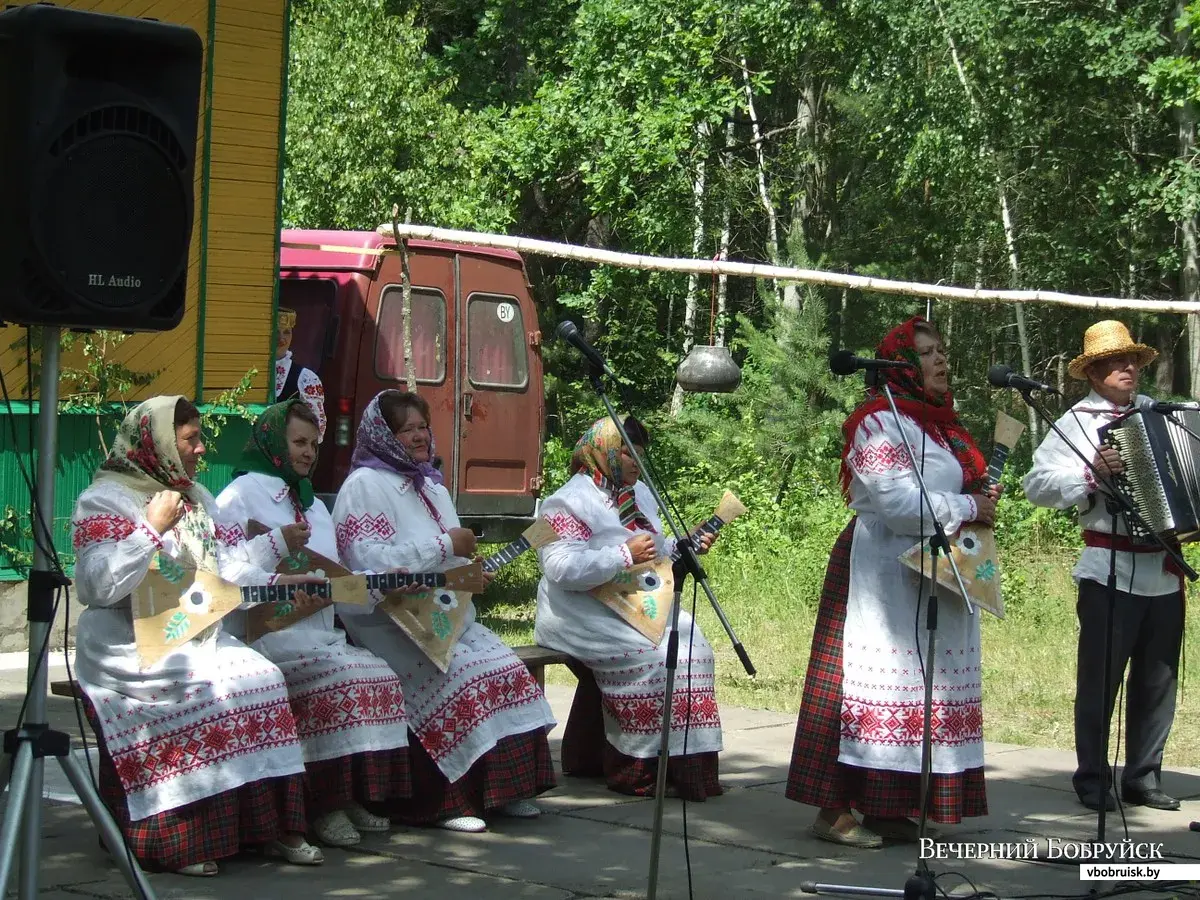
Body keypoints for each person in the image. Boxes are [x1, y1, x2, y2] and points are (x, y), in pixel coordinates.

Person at [70, 396, 326, 876]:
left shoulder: (198, 499)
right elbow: (96, 585)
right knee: (211, 691)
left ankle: (265, 827)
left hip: (195, 634)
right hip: (129, 643)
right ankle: (179, 837)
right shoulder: (105, 500)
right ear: (159, 442)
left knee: (263, 679)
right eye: (190, 439)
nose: (202, 449)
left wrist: (278, 585)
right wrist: (150, 529)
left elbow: (224, 572)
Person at [785, 316, 996, 849]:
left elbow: (944, 491)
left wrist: (978, 503)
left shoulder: (941, 426)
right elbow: (899, 505)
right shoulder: (876, 423)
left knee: (922, 689)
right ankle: (832, 811)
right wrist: (972, 504)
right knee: (860, 683)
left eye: (942, 350)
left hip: (938, 568)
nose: (941, 360)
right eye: (926, 353)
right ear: (897, 367)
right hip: (880, 571)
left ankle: (885, 805)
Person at [331, 390, 558, 833]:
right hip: (391, 621)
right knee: (464, 678)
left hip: (441, 613)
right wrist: (442, 547)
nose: (418, 436)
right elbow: (365, 560)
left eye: (422, 427)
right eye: (406, 429)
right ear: (384, 436)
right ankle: (444, 801)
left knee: (504, 669)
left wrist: (467, 572)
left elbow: (450, 558)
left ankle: (502, 791)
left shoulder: (430, 484)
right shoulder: (363, 486)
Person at [213, 398, 412, 847]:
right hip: (267, 636)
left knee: (376, 673)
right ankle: (320, 804)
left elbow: (338, 579)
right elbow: (225, 571)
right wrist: (277, 565)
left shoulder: (315, 506)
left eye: (314, 445)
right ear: (271, 442)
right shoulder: (240, 496)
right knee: (341, 679)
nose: (308, 453)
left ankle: (342, 794)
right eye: (298, 442)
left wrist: (378, 584)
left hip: (319, 634)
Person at [1022, 320, 1183, 812]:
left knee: (1158, 681)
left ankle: (1142, 776)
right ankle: (1092, 776)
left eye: (1131, 359)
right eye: (1115, 362)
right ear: (1093, 373)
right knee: (1100, 680)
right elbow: (1037, 484)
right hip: (1107, 567)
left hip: (1164, 567)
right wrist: (1090, 473)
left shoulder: (1163, 416)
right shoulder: (1076, 421)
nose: (1127, 368)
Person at [533, 415, 724, 800]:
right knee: (653, 659)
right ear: (602, 452)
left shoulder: (639, 495)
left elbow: (654, 550)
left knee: (693, 647)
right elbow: (559, 568)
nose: (638, 461)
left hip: (635, 604)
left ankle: (687, 771)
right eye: (628, 452)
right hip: (579, 612)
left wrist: (682, 545)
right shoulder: (563, 502)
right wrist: (623, 554)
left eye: (640, 453)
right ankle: (637, 771)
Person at [275, 306, 326, 442]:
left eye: (287, 332)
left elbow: (317, 430)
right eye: (276, 331)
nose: (281, 338)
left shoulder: (306, 379)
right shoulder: (251, 372)